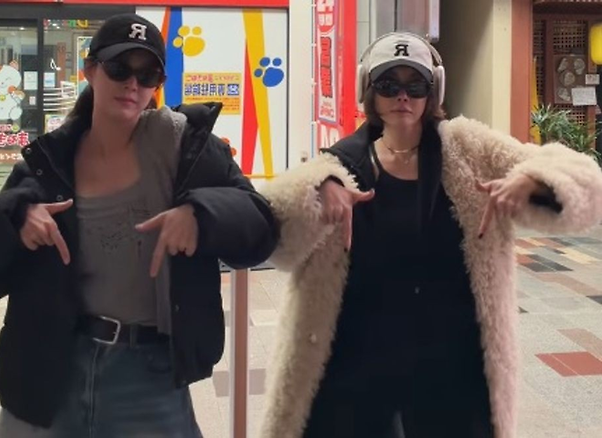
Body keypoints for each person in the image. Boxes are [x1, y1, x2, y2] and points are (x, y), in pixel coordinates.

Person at [0, 13, 278, 438]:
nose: (132, 84)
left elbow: (260, 224)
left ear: (158, 84)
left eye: (147, 75)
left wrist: (201, 214)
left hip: (150, 377)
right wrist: (15, 217)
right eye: (119, 69)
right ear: (90, 70)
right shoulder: (51, 161)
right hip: (50, 369)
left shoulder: (184, 149)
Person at [258, 32, 602, 438]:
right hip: (357, 362)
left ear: (433, 90)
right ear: (369, 90)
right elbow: (272, 230)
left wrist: (534, 179)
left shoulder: (469, 151)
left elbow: (589, 186)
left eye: (415, 85)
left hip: (452, 363)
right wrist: (317, 189)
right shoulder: (339, 165)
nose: (402, 96)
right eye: (388, 84)